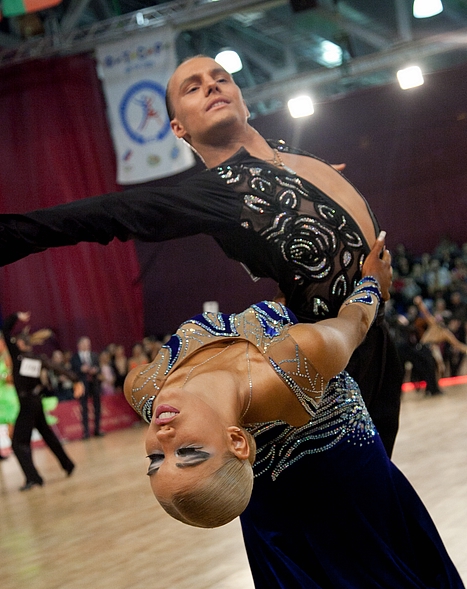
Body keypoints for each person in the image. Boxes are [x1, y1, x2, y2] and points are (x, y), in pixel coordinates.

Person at [0, 55, 403, 459]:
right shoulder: (219, 192)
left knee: (384, 488)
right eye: (192, 88)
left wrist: (315, 184)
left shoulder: (291, 156)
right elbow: (107, 214)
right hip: (335, 377)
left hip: (377, 346)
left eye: (220, 78)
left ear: (243, 100)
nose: (211, 85)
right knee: (356, 491)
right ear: (179, 127)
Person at [123, 235, 467, 589]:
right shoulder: (292, 364)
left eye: (155, 460)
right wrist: (372, 284)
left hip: (289, 480)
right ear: (237, 441)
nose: (162, 436)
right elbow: (353, 323)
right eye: (187, 454)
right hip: (340, 465)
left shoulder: (144, 388)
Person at [1, 312, 81, 490]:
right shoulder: (36, 359)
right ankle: (68, 465)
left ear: (20, 344)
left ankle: (34, 478)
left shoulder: (17, 356)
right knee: (49, 436)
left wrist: (16, 316)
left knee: (18, 443)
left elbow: (5, 330)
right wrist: (75, 380)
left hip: (28, 404)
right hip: (36, 402)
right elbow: (57, 367)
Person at [71, 337, 104, 439]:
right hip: (82, 384)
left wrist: (95, 370)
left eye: (88, 343)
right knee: (84, 407)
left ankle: (97, 429)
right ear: (79, 345)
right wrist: (81, 369)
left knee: (97, 406)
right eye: (85, 343)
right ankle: (86, 432)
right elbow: (72, 370)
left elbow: (99, 368)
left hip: (94, 383)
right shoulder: (75, 357)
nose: (87, 345)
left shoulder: (94, 355)